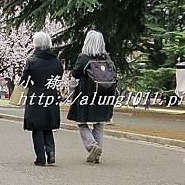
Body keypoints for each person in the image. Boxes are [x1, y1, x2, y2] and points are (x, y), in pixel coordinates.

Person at [67, 30, 117, 165]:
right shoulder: (107, 58)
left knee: (81, 122)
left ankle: (92, 145)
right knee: (99, 124)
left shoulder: (83, 58)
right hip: (104, 96)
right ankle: (97, 154)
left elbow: (76, 74)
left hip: (86, 94)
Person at [21, 32, 63, 166]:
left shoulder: (32, 61)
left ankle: (40, 158)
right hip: (51, 94)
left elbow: (25, 81)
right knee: (48, 126)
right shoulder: (56, 61)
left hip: (36, 95)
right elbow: (59, 77)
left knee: (37, 127)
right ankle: (51, 152)